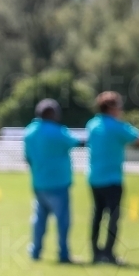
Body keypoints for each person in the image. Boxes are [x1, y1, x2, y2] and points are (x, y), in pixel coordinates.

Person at [87, 91, 139, 264]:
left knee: (97, 215)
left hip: (94, 177)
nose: (121, 109)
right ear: (111, 107)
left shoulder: (92, 124)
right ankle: (108, 254)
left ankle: (95, 252)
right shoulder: (115, 126)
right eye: (119, 105)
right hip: (112, 179)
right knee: (113, 217)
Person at [24, 98, 81, 264]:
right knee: (63, 221)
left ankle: (36, 251)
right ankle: (63, 253)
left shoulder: (30, 132)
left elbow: (27, 158)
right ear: (52, 114)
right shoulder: (58, 131)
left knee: (39, 219)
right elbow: (75, 142)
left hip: (38, 182)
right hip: (58, 183)